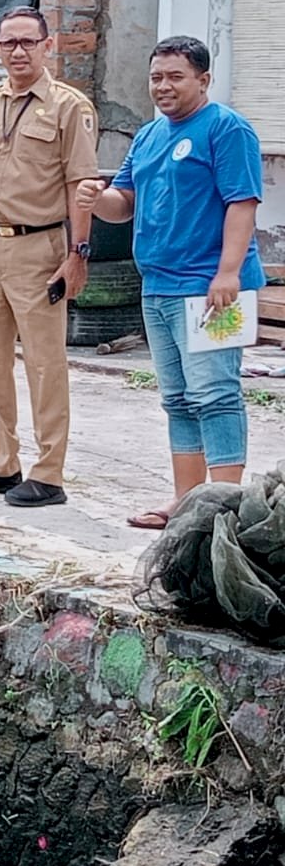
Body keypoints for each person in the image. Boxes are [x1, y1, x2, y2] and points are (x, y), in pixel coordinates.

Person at [78, 35, 266, 530]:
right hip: (157, 285)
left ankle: (223, 504)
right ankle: (187, 500)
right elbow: (123, 203)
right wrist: (93, 200)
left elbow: (242, 203)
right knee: (178, 397)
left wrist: (227, 273)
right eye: (157, 76)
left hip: (211, 289)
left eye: (175, 76)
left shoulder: (226, 130)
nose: (163, 86)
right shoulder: (148, 136)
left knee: (216, 393)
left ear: (203, 80)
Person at [0, 7, 99, 508]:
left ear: (46, 45)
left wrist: (77, 253)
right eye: (8, 44)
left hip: (40, 246)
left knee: (44, 363)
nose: (18, 52)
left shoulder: (68, 107)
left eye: (27, 43)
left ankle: (49, 471)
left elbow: (80, 182)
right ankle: (0, 461)